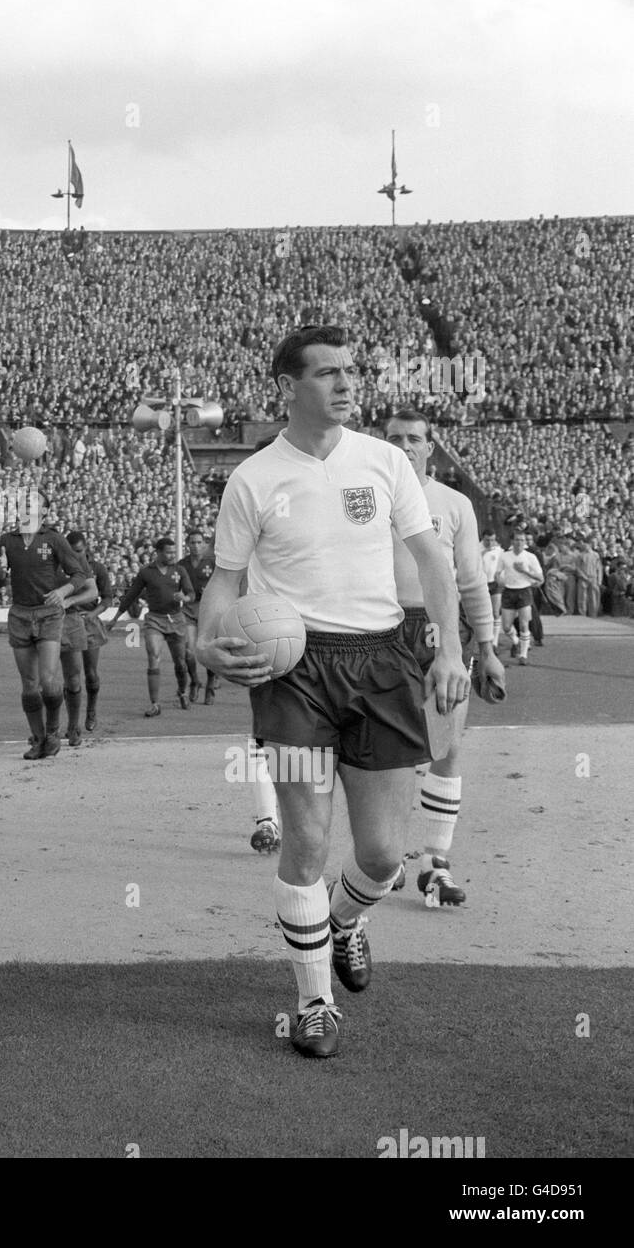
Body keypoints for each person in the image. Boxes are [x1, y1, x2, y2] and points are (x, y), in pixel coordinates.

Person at [196, 326, 469, 1060]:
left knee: (382, 854)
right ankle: (313, 1003)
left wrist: (448, 649)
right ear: (288, 387)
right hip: (294, 675)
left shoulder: (383, 461)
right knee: (308, 839)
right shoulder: (253, 477)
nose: (347, 385)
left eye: (351, 372)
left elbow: (431, 559)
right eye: (327, 374)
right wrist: (204, 639)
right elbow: (225, 580)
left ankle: (346, 921)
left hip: (384, 662)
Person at [384, 409, 505, 908]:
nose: (405, 445)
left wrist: (489, 649)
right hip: (380, 630)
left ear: (430, 447)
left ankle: (435, 864)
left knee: (447, 745)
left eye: (414, 438)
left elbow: (471, 581)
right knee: (383, 750)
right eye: (394, 438)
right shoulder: (369, 497)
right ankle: (386, 857)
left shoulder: (454, 504)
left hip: (440, 632)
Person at [0, 489, 88, 759]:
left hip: (49, 614)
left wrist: (63, 591)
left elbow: (79, 573)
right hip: (20, 614)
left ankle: (53, 732)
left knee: (48, 680)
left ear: (44, 512)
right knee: (29, 684)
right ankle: (38, 738)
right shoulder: (6, 541)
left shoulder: (54, 539)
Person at [107, 537, 196, 716]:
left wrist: (185, 598)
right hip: (154, 619)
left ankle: (182, 691)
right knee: (153, 657)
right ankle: (155, 704)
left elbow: (191, 593)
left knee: (180, 661)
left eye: (174, 552)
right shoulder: (146, 572)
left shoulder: (179, 570)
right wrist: (116, 618)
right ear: (158, 552)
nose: (172, 555)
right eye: (169, 552)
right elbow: (131, 595)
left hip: (176, 620)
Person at [65, 531, 114, 735]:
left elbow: (107, 599)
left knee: (91, 674)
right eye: (72, 551)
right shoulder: (63, 568)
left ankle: (91, 710)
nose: (76, 555)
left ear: (86, 549)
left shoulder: (97, 568)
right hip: (68, 621)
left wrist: (93, 615)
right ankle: (72, 723)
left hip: (89, 621)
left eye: (80, 551)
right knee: (71, 677)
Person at [179, 528, 218, 705]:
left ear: (204, 544)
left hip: (208, 610)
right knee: (188, 651)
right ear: (187, 545)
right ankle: (195, 680)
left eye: (199, 542)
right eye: (192, 542)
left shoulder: (214, 562)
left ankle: (210, 683)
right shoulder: (182, 564)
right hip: (188, 610)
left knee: (209, 650)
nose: (195, 546)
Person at [497, 530, 544, 664]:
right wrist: (499, 579)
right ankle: (516, 641)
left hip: (524, 591)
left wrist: (524, 571)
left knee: (524, 624)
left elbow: (540, 578)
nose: (519, 542)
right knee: (506, 627)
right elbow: (498, 573)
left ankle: (523, 655)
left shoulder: (530, 557)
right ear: (512, 541)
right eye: (517, 540)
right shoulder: (505, 556)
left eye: (522, 540)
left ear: (525, 542)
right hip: (509, 591)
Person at [480, 532, 503, 633]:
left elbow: (503, 565)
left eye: (492, 540)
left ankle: (494, 642)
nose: (490, 543)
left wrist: (501, 577)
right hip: (481, 584)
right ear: (483, 539)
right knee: (482, 612)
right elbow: (472, 563)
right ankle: (484, 635)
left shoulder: (499, 550)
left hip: (495, 583)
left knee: (495, 612)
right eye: (487, 540)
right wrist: (484, 552)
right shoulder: (476, 547)